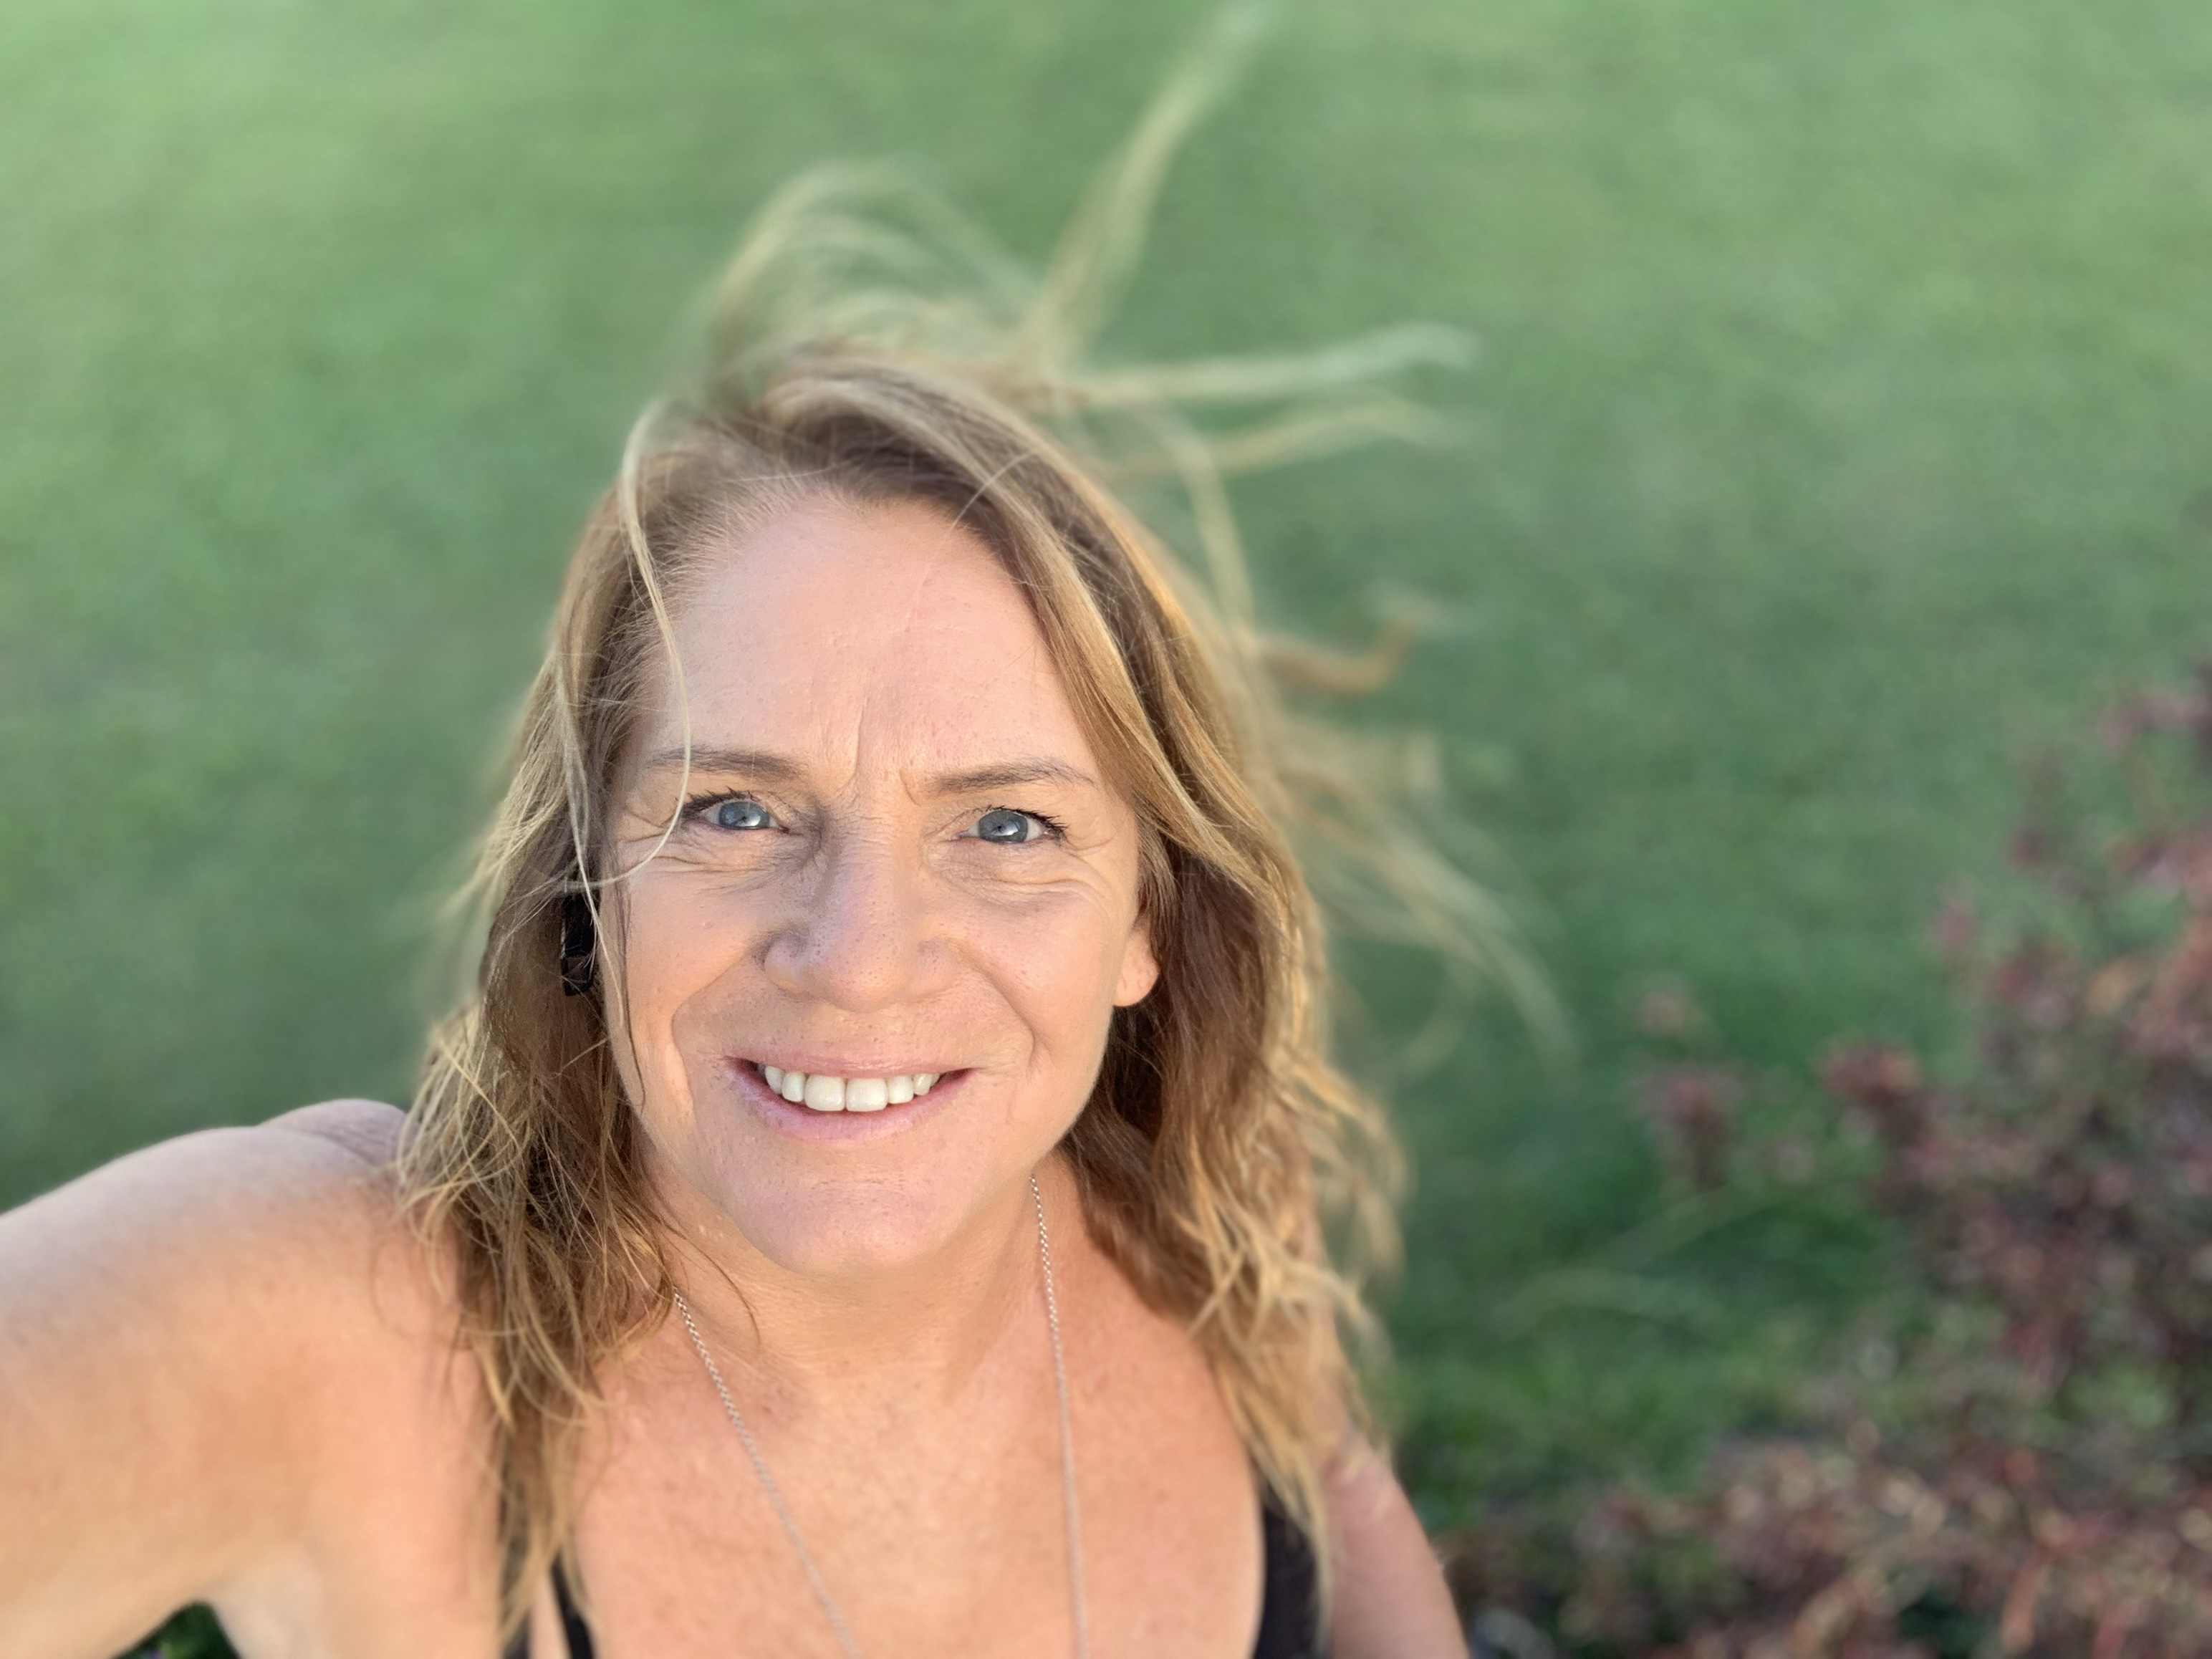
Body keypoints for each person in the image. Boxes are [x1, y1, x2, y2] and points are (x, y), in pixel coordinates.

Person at [0, 22, 1494, 1659]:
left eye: (1005, 825)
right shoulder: (344, 1315)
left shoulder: (1201, 1226)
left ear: (1146, 919)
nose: (855, 955)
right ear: (589, 880)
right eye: (735, 810)